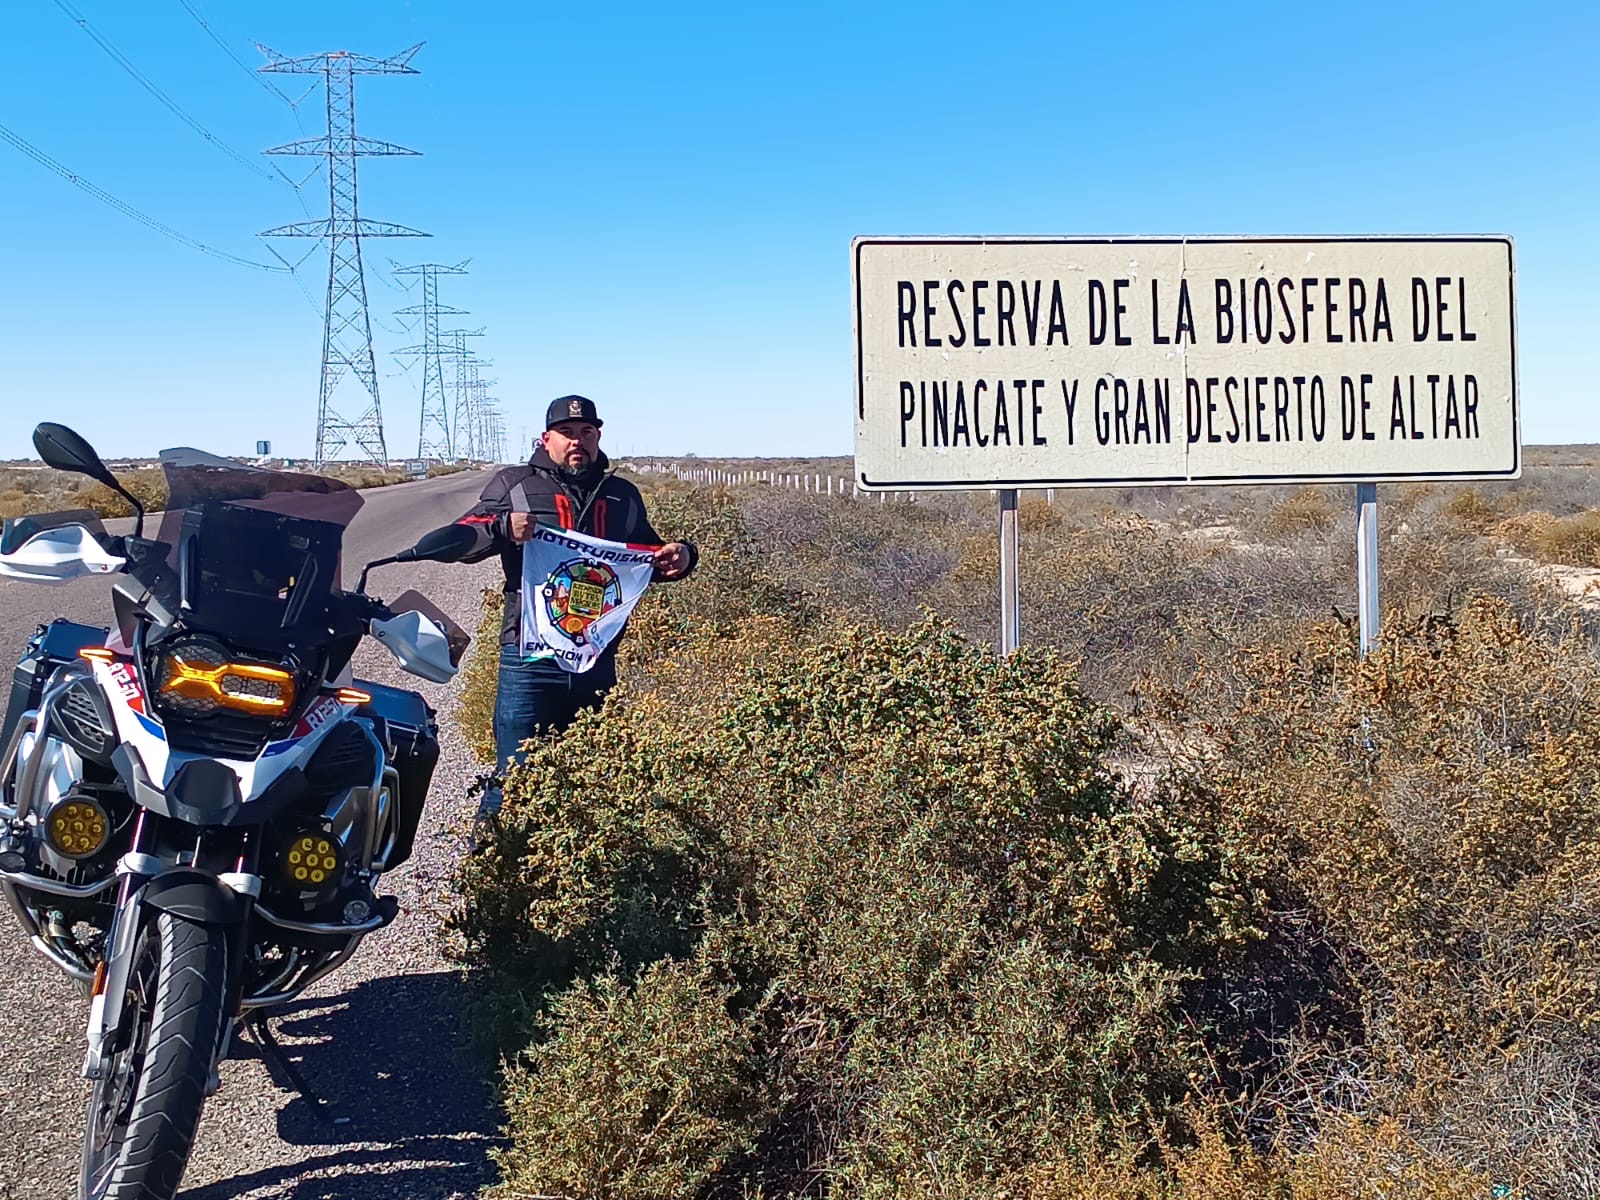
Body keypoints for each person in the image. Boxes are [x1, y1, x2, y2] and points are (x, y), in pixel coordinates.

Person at [454, 395, 697, 814]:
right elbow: (462, 538)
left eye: (586, 432)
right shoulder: (515, 485)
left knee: (593, 778)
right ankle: (493, 871)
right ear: (546, 438)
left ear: (598, 436)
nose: (577, 441)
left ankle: (575, 874)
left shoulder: (621, 494)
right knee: (514, 779)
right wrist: (500, 528)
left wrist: (682, 556)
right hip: (529, 658)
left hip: (596, 660)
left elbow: (644, 557)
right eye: (566, 433)